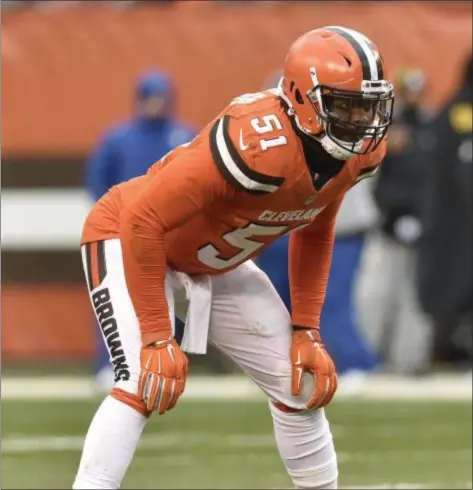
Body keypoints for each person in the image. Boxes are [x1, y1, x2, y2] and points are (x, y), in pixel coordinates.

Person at [74, 26, 394, 489]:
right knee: (143, 380)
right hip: (128, 237)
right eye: (346, 106)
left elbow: (318, 226)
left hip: (210, 259)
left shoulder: (357, 154)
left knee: (299, 384)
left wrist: (307, 328)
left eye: (369, 106)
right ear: (303, 99)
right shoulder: (256, 143)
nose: (362, 121)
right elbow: (142, 220)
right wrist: (159, 337)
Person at [85, 69, 196, 389]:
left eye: (161, 98)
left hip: (169, 233)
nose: (155, 105)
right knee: (114, 294)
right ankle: (111, 363)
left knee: (164, 298)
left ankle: (157, 361)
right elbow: (97, 180)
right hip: (121, 231)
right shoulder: (118, 138)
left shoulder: (183, 135)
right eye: (150, 98)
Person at [359, 67, 434, 375]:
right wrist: (387, 214)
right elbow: (373, 179)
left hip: (422, 227)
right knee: (374, 294)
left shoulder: (433, 128)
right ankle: (367, 359)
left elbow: (432, 182)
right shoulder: (383, 126)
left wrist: (424, 218)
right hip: (386, 225)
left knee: (414, 296)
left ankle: (409, 361)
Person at [417, 55, 472, 370]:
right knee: (453, 285)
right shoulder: (461, 111)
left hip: (450, 219)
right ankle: (444, 353)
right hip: (455, 221)